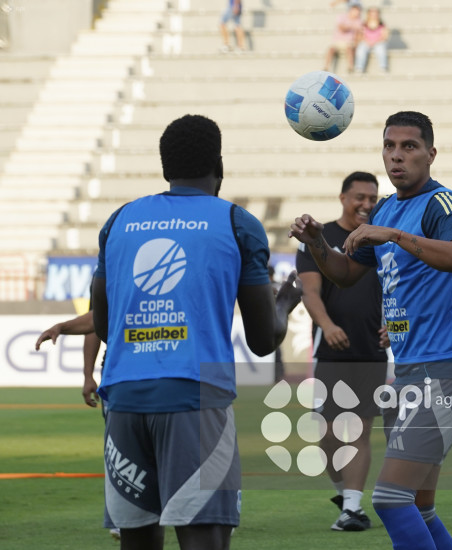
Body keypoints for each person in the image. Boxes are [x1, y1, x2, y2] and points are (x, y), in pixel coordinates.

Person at [91, 114, 303, 550]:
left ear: (165, 166)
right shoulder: (236, 222)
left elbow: (103, 324)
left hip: (123, 397)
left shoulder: (119, 220)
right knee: (204, 536)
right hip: (195, 396)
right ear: (218, 165)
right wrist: (285, 302)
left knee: (136, 539)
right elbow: (263, 340)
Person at [289, 111, 452, 550]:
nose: (397, 156)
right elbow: (344, 274)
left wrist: (393, 235)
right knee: (419, 506)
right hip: (411, 376)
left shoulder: (442, 205)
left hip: (445, 375)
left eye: (409, 147)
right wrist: (316, 242)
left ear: (431, 154)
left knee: (391, 498)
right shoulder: (386, 209)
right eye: (390, 146)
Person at [295, 171, 389, 532]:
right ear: (343, 198)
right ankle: (343, 493)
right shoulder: (319, 239)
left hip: (371, 350)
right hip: (331, 352)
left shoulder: (380, 240)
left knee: (359, 432)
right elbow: (310, 291)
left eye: (372, 198)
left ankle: (352, 508)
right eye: (359, 197)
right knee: (329, 435)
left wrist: (396, 327)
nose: (366, 204)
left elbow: (399, 288)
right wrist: (328, 325)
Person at [35, 310, 120, 541]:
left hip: (180, 372)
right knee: (120, 451)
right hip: (120, 376)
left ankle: (210, 508)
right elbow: (98, 319)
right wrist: (87, 374)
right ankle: (123, 518)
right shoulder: (108, 283)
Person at [324, 3, 363, 73]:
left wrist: (356, 43)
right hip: (337, 42)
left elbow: (359, 34)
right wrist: (352, 27)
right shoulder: (342, 17)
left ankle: (350, 67)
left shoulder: (359, 21)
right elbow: (341, 28)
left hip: (349, 42)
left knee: (349, 49)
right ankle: (326, 67)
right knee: (331, 50)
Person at [354, 7, 389, 74]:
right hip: (367, 42)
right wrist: (367, 41)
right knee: (361, 49)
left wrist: (375, 41)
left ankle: (383, 67)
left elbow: (384, 36)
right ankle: (359, 67)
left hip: (378, 42)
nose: (374, 16)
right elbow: (361, 35)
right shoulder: (364, 24)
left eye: (375, 14)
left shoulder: (382, 25)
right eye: (372, 14)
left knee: (381, 49)